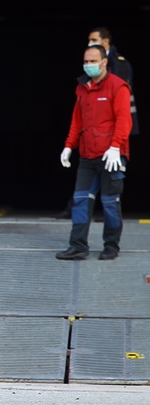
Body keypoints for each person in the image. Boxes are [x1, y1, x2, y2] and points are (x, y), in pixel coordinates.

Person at [56, 45, 132, 261]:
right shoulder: (82, 88)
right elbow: (77, 121)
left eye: (92, 61)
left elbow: (124, 121)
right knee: (81, 200)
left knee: (110, 202)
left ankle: (111, 246)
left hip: (111, 156)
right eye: (86, 61)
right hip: (88, 156)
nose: (88, 65)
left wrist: (116, 147)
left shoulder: (118, 87)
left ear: (104, 62)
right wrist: (69, 145)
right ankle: (78, 246)